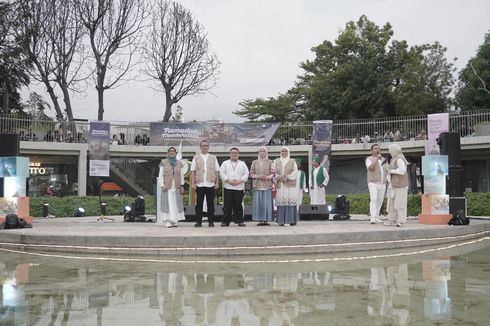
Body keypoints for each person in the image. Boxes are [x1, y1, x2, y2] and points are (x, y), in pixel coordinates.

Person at [190, 140, 220, 227]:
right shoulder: (196, 158)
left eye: (206, 145)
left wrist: (217, 183)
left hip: (210, 184)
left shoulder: (213, 157)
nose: (205, 147)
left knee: (210, 204)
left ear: (208, 147)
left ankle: (211, 221)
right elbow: (192, 171)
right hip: (199, 184)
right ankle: (198, 222)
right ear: (200, 147)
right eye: (203, 145)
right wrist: (192, 183)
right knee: (199, 204)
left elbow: (217, 171)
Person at [219, 148, 249, 227]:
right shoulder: (225, 163)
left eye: (236, 153)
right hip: (228, 186)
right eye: (232, 153)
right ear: (230, 154)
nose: (234, 154)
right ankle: (225, 221)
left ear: (238, 154)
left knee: (238, 205)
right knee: (227, 205)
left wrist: (240, 181)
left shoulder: (242, 163)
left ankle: (240, 221)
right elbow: (221, 173)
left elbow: (246, 173)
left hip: (239, 187)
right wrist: (229, 180)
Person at [157, 147, 185, 228]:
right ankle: (168, 221)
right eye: (170, 151)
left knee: (176, 203)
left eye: (173, 151)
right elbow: (161, 175)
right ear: (168, 152)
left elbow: (181, 176)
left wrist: (182, 186)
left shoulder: (179, 163)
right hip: (167, 186)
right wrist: (162, 185)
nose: (172, 152)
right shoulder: (163, 162)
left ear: (176, 153)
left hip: (176, 186)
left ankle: (174, 220)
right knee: (167, 203)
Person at [385, 144, 409, 227]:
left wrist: (391, 171)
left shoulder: (399, 159)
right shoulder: (393, 159)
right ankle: (392, 220)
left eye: (390, 150)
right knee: (392, 203)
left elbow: (402, 171)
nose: (389, 152)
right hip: (393, 185)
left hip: (401, 185)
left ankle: (400, 221)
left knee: (400, 204)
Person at [274, 147, 299, 226]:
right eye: (282, 151)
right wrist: (279, 177)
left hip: (290, 185)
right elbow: (273, 172)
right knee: (281, 201)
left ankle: (290, 220)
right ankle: (281, 221)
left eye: (285, 151)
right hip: (280, 185)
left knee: (290, 201)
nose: (284, 152)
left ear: (288, 152)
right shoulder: (276, 161)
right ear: (280, 152)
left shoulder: (292, 161)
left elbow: (295, 172)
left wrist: (287, 177)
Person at [250, 147, 274, 226]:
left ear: (266, 153)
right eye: (261, 151)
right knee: (258, 203)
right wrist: (258, 176)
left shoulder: (270, 162)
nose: (262, 152)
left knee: (266, 204)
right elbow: (250, 174)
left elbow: (273, 173)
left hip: (267, 185)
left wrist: (267, 177)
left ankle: (265, 220)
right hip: (257, 185)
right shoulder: (254, 162)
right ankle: (259, 220)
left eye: (264, 151)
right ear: (258, 152)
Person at [366, 144, 385, 224]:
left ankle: (377, 216)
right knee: (374, 199)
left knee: (380, 201)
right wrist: (377, 158)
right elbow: (371, 168)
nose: (377, 150)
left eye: (378, 148)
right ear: (371, 150)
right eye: (375, 148)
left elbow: (387, 169)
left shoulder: (383, 159)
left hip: (382, 183)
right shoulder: (368, 159)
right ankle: (372, 217)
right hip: (373, 182)